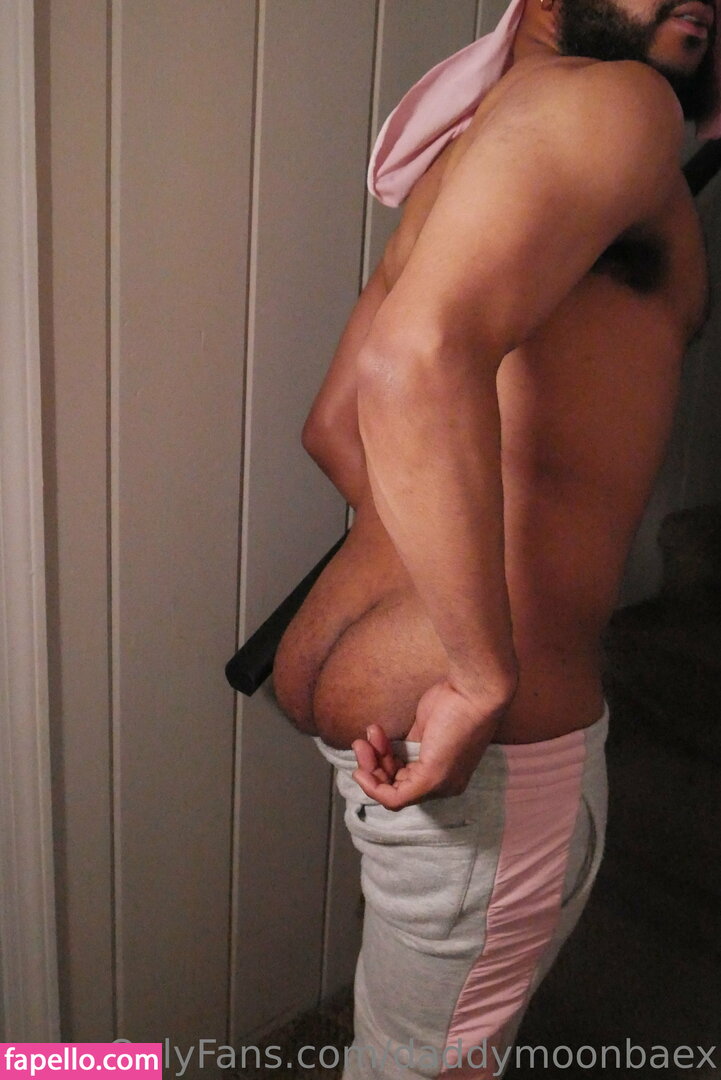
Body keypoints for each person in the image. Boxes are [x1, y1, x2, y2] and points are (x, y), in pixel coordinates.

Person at [273, 1, 716, 1076]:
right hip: (486, 746)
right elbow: (414, 364)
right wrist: (473, 672)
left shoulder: (477, 145)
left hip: (389, 726)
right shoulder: (625, 102)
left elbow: (335, 429)